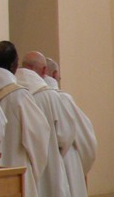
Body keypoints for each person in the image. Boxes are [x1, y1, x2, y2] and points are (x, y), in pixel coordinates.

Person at [0, 41, 50, 197]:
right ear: (13, 65)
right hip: (16, 172)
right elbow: (39, 137)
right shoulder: (19, 95)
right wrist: (35, 170)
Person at [16, 51, 73, 197]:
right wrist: (54, 152)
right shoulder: (50, 95)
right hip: (49, 165)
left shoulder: (13, 92)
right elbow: (65, 135)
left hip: (21, 164)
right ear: (44, 70)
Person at [45, 58, 97, 197]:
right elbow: (86, 138)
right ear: (54, 74)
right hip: (66, 161)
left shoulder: (29, 96)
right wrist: (83, 166)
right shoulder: (63, 99)